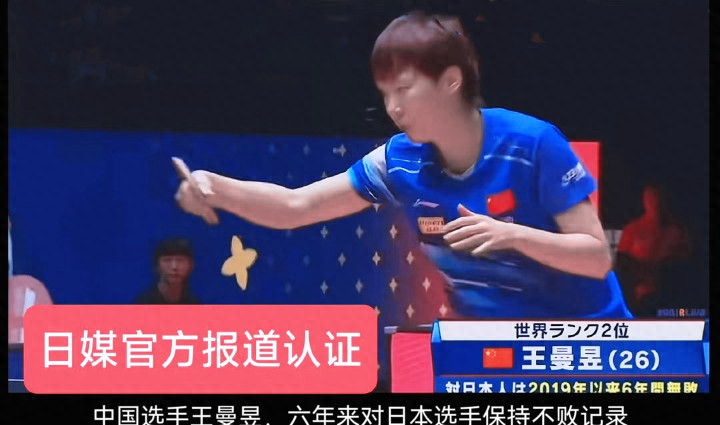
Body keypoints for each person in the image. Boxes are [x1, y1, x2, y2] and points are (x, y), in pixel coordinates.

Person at [174, 12, 632, 319]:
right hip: (481, 354)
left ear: (450, 81)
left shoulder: (532, 143)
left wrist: (513, 235)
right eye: (385, 93)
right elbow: (297, 206)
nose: (392, 108)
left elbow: (596, 258)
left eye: (404, 89)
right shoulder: (399, 160)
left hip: (583, 344)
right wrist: (214, 186)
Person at [615, 183, 691, 316]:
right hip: (639, 296)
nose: (654, 203)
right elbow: (622, 264)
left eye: (657, 198)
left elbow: (686, 264)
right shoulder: (632, 230)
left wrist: (663, 268)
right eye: (650, 199)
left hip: (670, 296)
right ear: (644, 201)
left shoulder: (676, 232)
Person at [136, 237, 200, 304]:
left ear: (191, 266)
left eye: (180, 260)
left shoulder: (194, 304)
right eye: (167, 260)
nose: (174, 267)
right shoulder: (143, 303)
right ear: (157, 266)